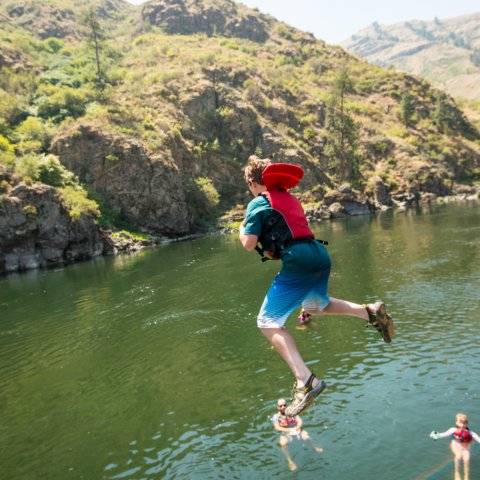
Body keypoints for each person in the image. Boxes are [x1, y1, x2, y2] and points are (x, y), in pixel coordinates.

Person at [239, 155, 394, 416]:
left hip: (299, 260)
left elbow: (249, 244)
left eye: (250, 187)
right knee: (315, 305)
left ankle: (306, 380)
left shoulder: (258, 202)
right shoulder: (289, 198)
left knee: (267, 322)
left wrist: (243, 227)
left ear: (255, 183)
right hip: (319, 254)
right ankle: (368, 311)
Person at [272, 398, 323, 471]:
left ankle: (314, 447)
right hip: (285, 433)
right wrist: (289, 430)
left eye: (284, 405)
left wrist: (297, 428)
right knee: (282, 443)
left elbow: (300, 421)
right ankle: (290, 460)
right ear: (277, 407)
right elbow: (277, 427)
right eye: (281, 406)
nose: (283, 407)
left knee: (306, 436)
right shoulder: (276, 417)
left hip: (296, 430)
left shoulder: (292, 412)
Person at [430, 413, 480, 480]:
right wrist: (436, 435)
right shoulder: (453, 430)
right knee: (458, 456)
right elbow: (444, 434)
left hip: (465, 448)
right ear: (456, 422)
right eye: (460, 422)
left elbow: (478, 438)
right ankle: (457, 473)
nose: (462, 425)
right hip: (455, 445)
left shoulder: (470, 433)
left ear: (467, 424)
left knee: (467, 458)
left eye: (464, 423)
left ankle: (466, 476)